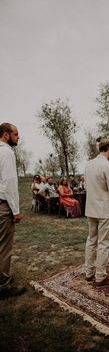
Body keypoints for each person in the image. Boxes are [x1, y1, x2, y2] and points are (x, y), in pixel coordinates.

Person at [84, 138, 109, 286]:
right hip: (104, 209)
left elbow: (87, 186)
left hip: (91, 208)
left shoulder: (88, 165)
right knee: (103, 243)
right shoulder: (108, 166)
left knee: (91, 240)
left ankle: (89, 272)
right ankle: (100, 276)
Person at [0, 122, 26, 299]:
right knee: (4, 246)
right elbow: (9, 183)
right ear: (6, 135)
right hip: (3, 205)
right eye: (16, 134)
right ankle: (3, 285)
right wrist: (15, 211)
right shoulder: (6, 152)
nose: (19, 137)